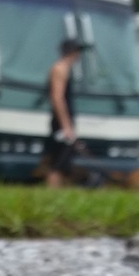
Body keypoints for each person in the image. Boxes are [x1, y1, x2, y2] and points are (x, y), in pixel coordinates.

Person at [44, 38, 85, 188]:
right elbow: (57, 97)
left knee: (63, 161)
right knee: (57, 161)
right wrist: (66, 125)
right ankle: (52, 193)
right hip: (61, 122)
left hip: (63, 121)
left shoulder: (64, 69)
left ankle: (57, 192)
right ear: (72, 53)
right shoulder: (60, 69)